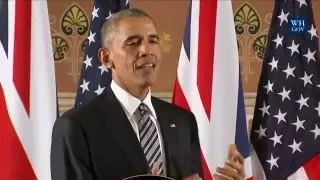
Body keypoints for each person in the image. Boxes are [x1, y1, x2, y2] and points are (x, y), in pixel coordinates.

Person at [50, 8, 245, 180]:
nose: (146, 50)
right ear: (107, 58)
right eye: (132, 43)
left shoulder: (183, 121)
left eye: (153, 41)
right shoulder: (75, 127)